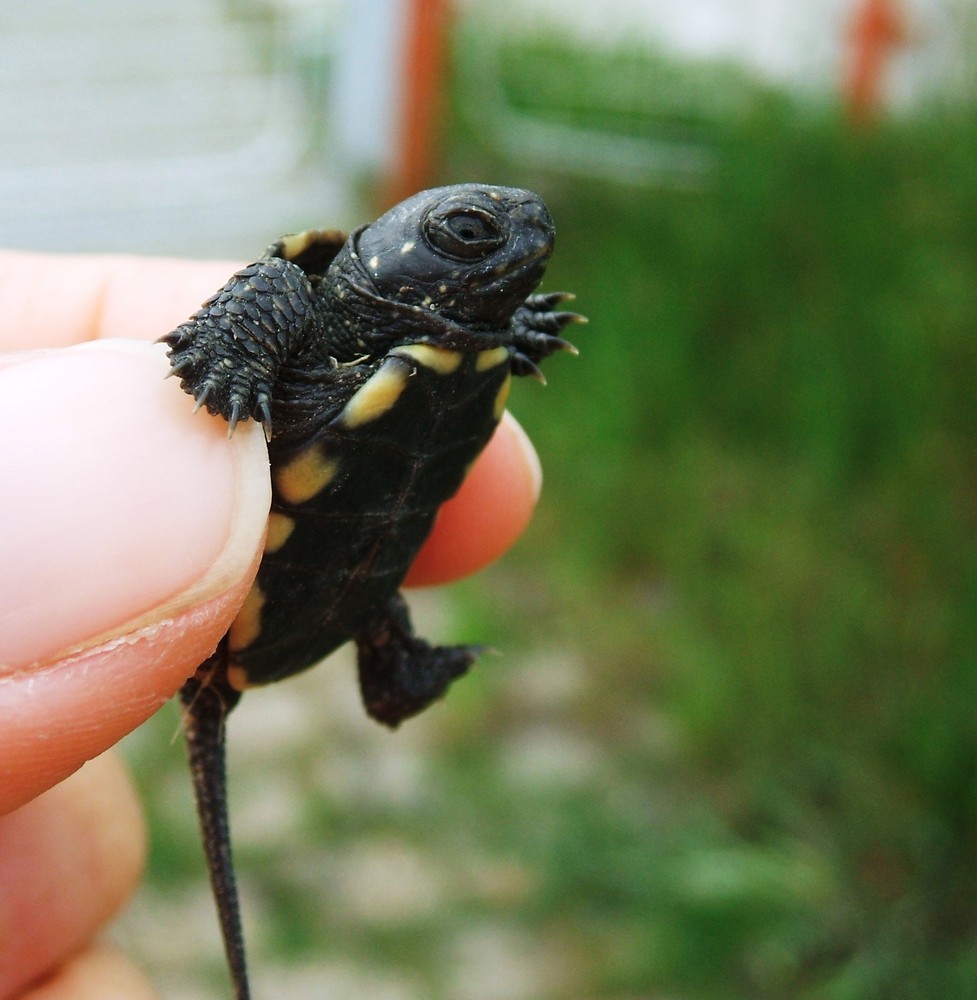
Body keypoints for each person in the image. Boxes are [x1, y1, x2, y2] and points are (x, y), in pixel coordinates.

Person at [0, 250, 542, 998]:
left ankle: (392, 671)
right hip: (244, 588)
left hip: (359, 559)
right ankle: (394, 669)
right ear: (394, 261)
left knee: (376, 577)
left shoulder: (458, 334)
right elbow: (275, 281)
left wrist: (507, 321)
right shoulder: (315, 306)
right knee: (283, 290)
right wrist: (226, 353)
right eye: (470, 235)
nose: (515, 241)